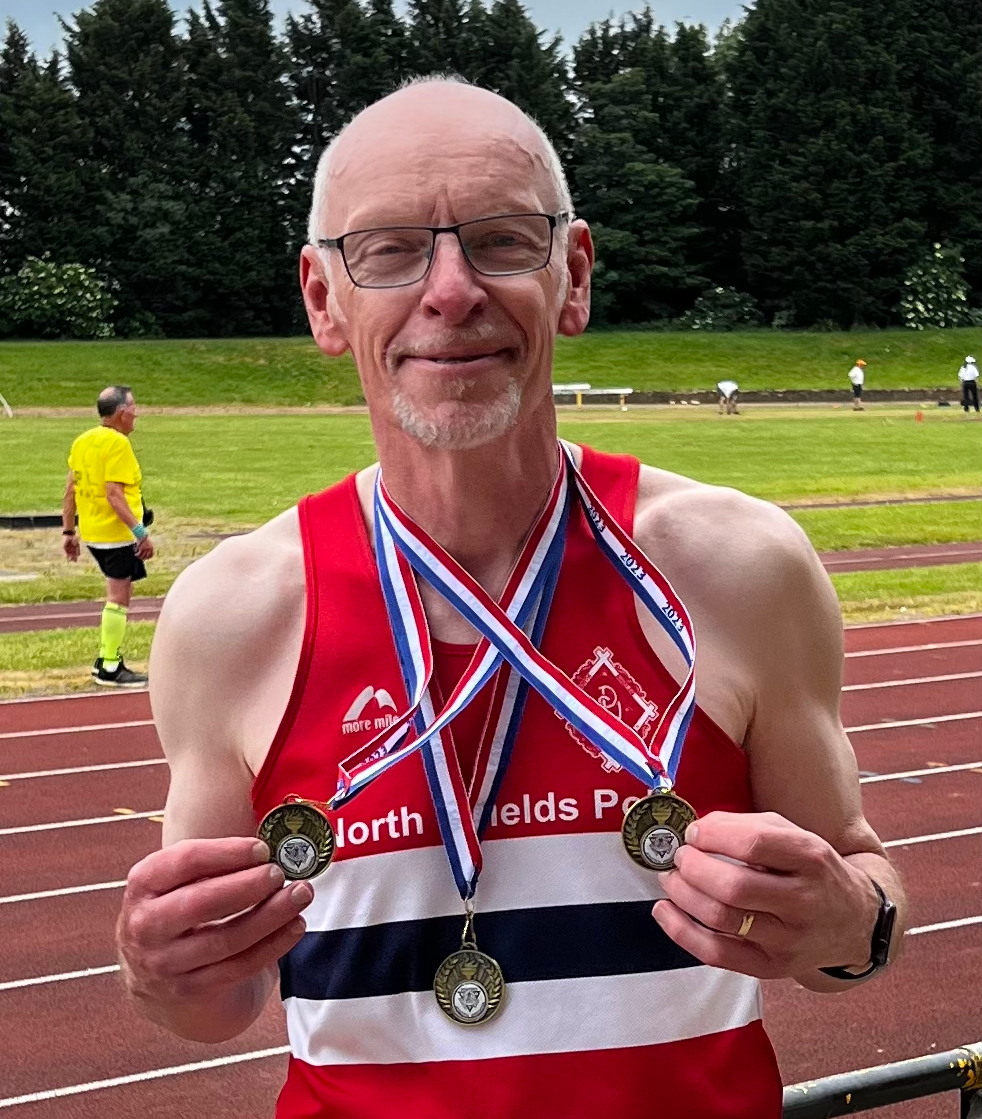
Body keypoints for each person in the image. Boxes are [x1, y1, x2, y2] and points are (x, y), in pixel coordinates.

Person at [115, 79, 907, 1119]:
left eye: (501, 242)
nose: (451, 292)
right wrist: (160, 973)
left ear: (572, 276)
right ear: (323, 299)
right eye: (389, 250)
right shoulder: (233, 615)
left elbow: (858, 892)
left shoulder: (737, 566)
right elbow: (216, 1000)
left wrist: (850, 922)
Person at [63, 385, 153, 687]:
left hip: (93, 533)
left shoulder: (82, 441)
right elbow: (114, 495)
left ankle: (105, 658)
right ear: (121, 413)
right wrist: (140, 533)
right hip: (116, 535)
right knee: (118, 599)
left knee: (118, 596)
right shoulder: (118, 444)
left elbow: (70, 490)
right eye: (134, 407)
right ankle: (110, 666)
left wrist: (69, 531)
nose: (137, 413)